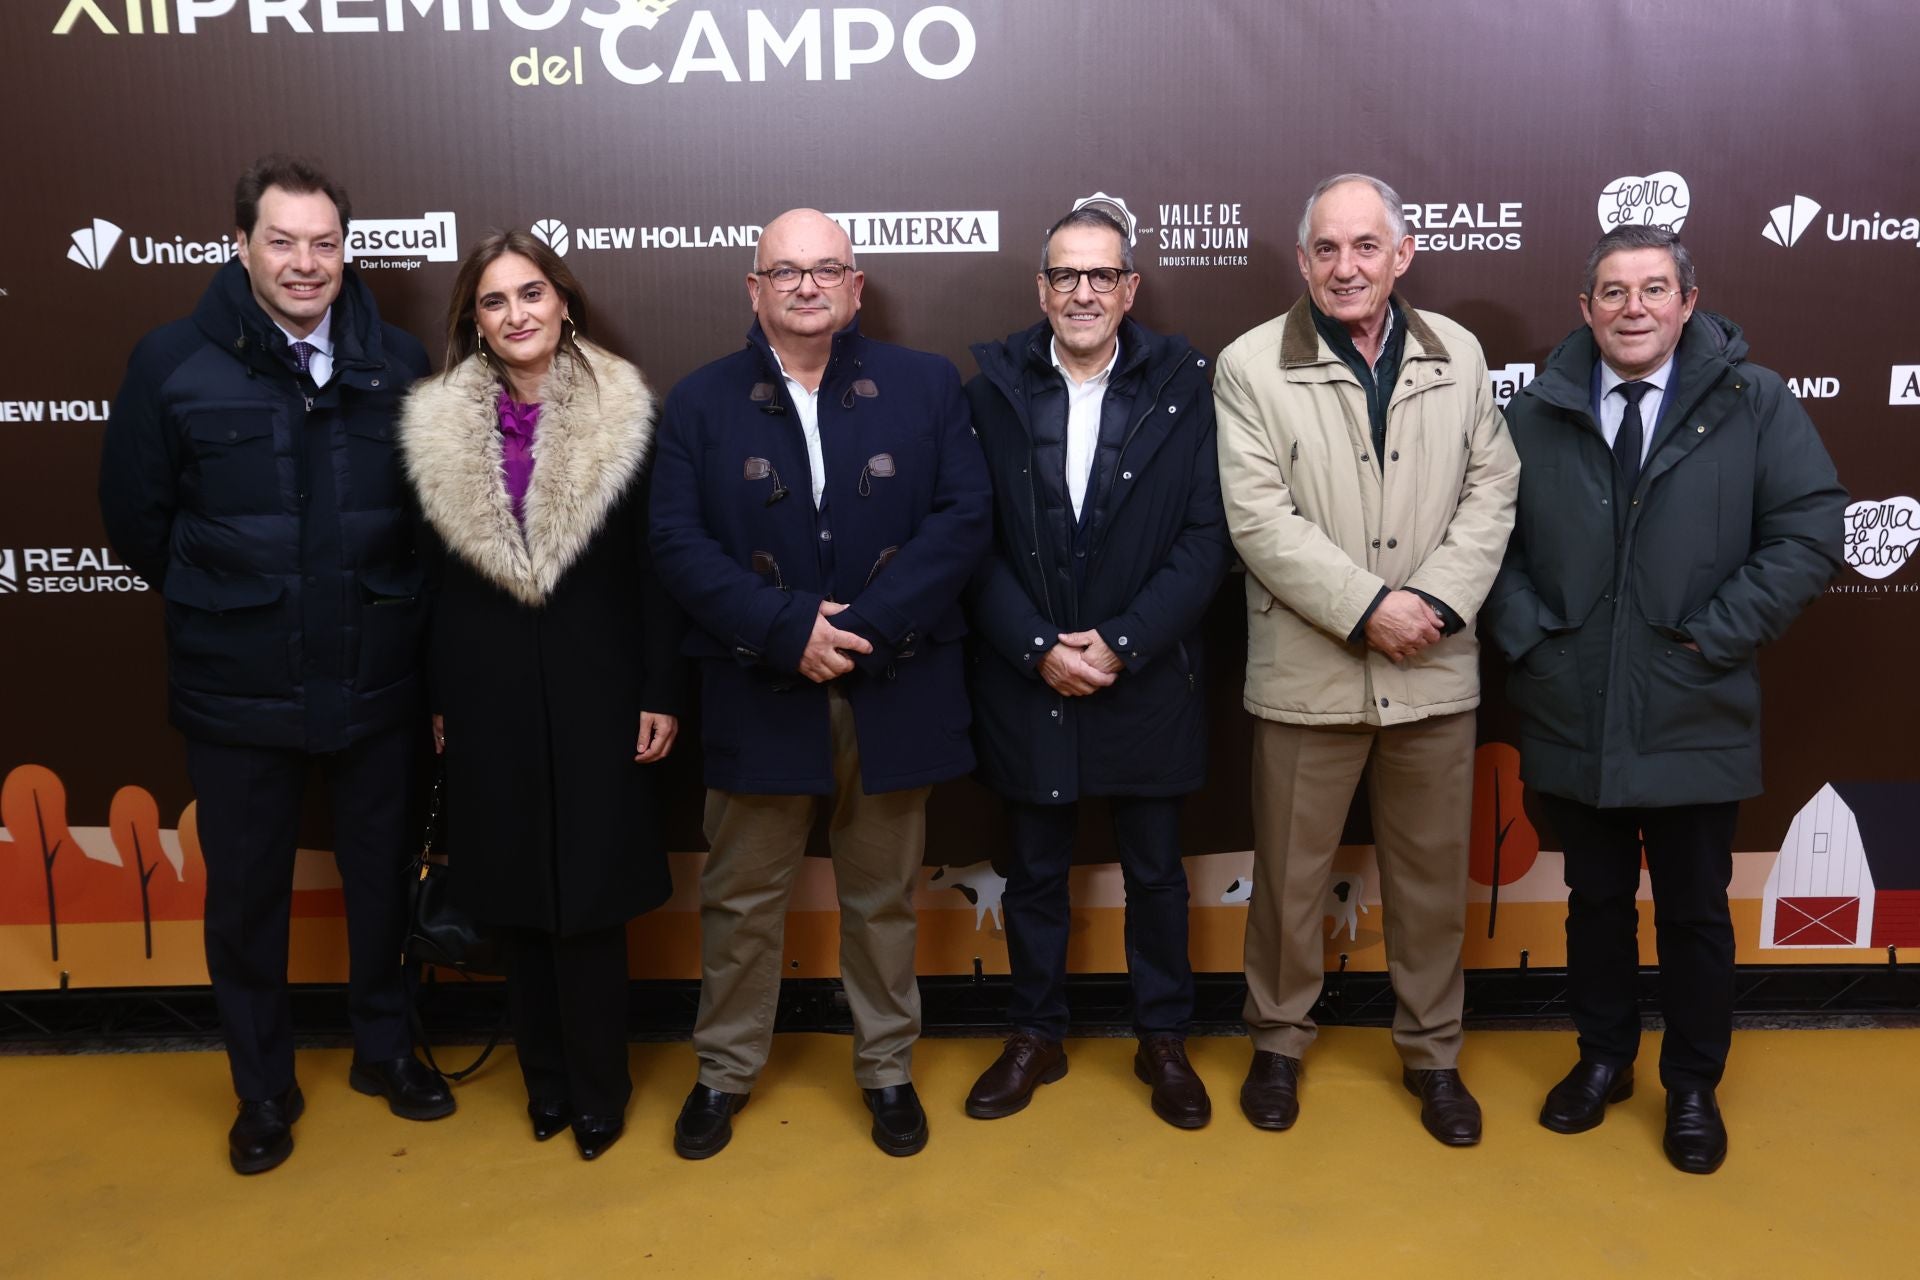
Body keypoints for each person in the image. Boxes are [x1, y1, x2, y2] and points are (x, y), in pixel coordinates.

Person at [98, 155, 450, 1174]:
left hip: (379, 679)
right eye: (284, 241)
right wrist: (237, 602)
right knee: (245, 897)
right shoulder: (171, 361)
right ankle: (262, 1087)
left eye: (325, 243)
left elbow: (427, 524)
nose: (306, 263)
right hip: (236, 684)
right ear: (242, 244)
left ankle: (385, 1050)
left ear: (348, 250)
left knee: (382, 881)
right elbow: (139, 523)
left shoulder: (398, 361)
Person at [1483, 225, 1844, 1174]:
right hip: (1571, 703)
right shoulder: (1537, 410)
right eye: (1612, 291)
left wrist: (1714, 635)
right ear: (1585, 308)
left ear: (1688, 303)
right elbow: (1490, 541)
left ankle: (1693, 1083)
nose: (1632, 308)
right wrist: (1532, 636)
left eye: (1652, 290)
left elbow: (1808, 530)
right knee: (1593, 902)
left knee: (1693, 911)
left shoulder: (1753, 401)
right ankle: (1602, 1059)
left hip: (1694, 702)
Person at [650, 208, 991, 1160]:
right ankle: (723, 1071)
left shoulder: (926, 386)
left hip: (896, 680)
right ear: (753, 288)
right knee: (742, 897)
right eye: (786, 270)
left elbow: (964, 520)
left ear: (856, 286)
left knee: (882, 896)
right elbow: (676, 543)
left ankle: (886, 1069)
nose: (808, 284)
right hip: (760, 682)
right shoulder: (699, 400)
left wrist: (866, 630)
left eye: (827, 268)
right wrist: (784, 626)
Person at [1213, 173, 1519, 1145]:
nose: (1347, 267)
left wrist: (1430, 603)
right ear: (1303, 262)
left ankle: (1433, 1051)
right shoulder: (1250, 364)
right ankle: (1277, 1041)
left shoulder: (1458, 354)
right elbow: (1258, 518)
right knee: (1291, 878)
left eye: (1365, 246)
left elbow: (1492, 489)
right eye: (1327, 250)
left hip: (1435, 665)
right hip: (1310, 671)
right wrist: (1367, 608)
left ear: (1403, 252)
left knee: (1432, 881)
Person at [398, 231, 683, 1162]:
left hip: (600, 689)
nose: (516, 313)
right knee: (515, 898)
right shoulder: (439, 423)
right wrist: (442, 696)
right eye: (494, 301)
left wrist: (659, 688)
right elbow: (432, 580)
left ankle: (600, 1090)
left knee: (590, 903)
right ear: (473, 322)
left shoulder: (626, 412)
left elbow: (657, 570)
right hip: (485, 695)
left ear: (563, 301)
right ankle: (547, 1085)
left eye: (531, 293)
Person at [960, 204, 1231, 1128]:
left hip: (1145, 674)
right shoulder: (990, 390)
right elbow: (969, 540)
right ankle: (1035, 1034)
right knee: (1034, 870)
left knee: (1156, 872)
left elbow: (1206, 540)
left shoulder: (1185, 388)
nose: (1083, 292)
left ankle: (1164, 1038)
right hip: (1028, 677)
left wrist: (1120, 643)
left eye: (1101, 276)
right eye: (1065, 276)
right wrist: (1038, 648)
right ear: (1041, 290)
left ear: (1130, 289)